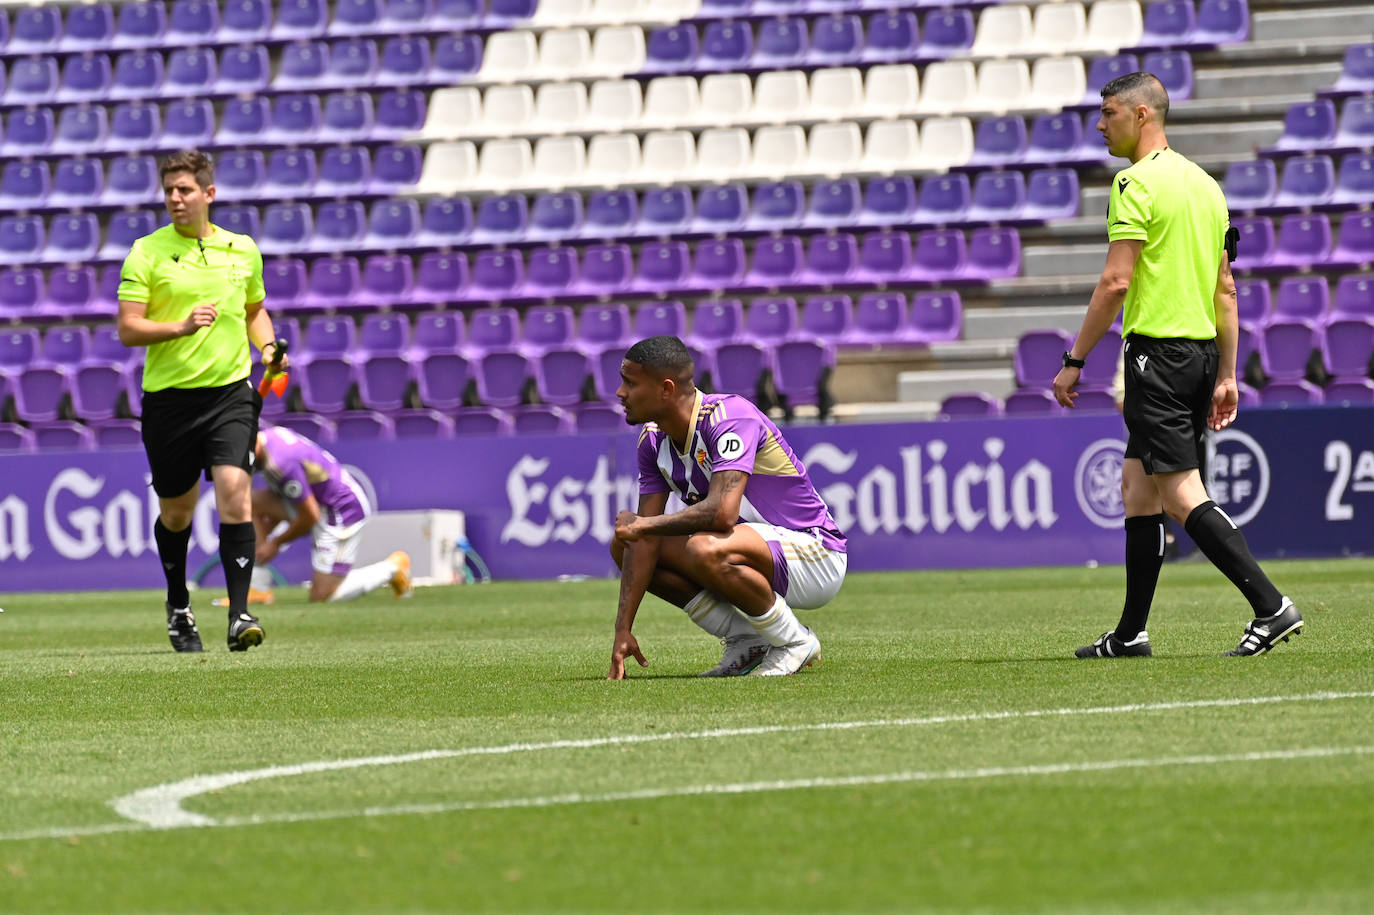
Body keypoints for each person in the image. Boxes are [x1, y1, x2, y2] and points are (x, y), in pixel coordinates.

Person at [1052, 73, 1302, 658]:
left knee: (1181, 495)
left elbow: (1116, 281)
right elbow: (1226, 290)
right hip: (1199, 354)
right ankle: (1131, 633)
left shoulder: (1134, 183)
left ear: (1142, 115)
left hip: (1156, 357)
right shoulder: (1207, 187)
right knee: (1137, 489)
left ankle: (1271, 606)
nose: (1100, 123)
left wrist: (1074, 360)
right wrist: (1227, 374)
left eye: (1109, 112)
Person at [117, 149, 285, 653]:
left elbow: (255, 310)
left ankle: (239, 616)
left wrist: (269, 349)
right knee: (177, 514)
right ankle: (178, 605)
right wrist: (180, 326)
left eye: (185, 189)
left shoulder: (242, 249)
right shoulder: (145, 252)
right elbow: (128, 328)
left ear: (208, 194)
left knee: (235, 492)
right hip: (169, 401)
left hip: (231, 393)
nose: (174, 198)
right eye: (169, 190)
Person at [608, 335, 848, 679]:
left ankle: (795, 641)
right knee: (626, 545)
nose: (620, 393)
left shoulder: (730, 417)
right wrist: (623, 629)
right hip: (748, 549)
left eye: (630, 383)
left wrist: (644, 525)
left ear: (665, 389)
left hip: (816, 554)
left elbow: (721, 514)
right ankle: (746, 640)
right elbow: (641, 539)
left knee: (704, 545)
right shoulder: (653, 440)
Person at [244, 424, 413, 603]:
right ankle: (258, 587)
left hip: (341, 510)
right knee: (249, 503)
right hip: (318, 501)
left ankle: (393, 568)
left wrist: (275, 543)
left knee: (322, 597)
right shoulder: (272, 435)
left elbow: (310, 516)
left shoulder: (281, 463)